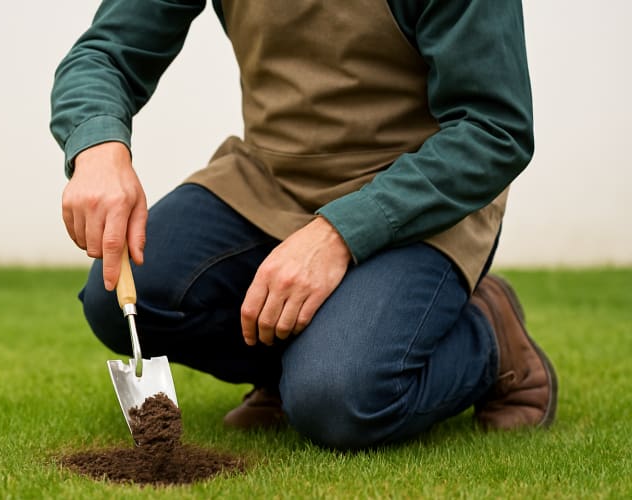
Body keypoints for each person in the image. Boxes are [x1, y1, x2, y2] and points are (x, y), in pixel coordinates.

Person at [50, 0, 557, 449]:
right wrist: (97, 147)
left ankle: (489, 335)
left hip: (419, 197)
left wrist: (340, 231)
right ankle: (296, 359)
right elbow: (107, 52)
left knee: (338, 400)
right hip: (272, 181)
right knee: (116, 301)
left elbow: (494, 128)